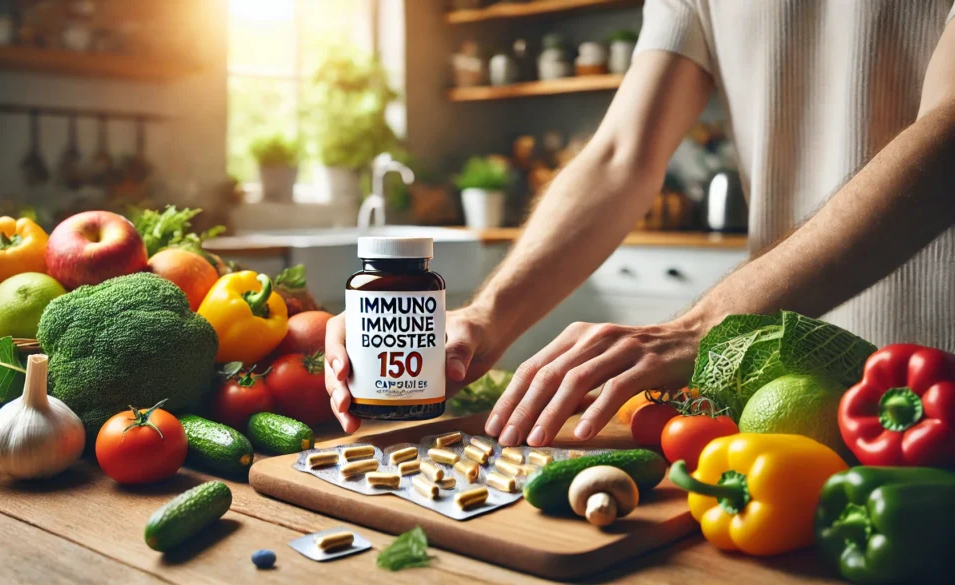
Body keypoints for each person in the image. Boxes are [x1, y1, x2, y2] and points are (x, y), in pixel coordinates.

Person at [326, 0, 955, 446]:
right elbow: (619, 157)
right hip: (782, 386)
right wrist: (488, 315)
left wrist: (701, 327)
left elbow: (948, 130)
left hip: (937, 379)